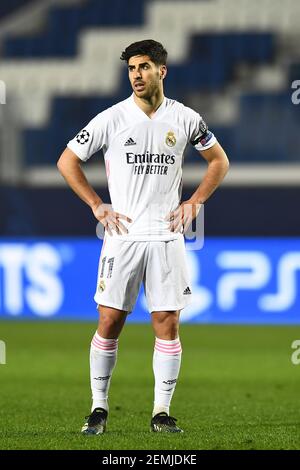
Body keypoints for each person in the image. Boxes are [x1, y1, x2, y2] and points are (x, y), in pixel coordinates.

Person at [57, 39, 229, 435]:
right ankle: (98, 409)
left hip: (167, 236)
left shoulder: (185, 118)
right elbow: (67, 161)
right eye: (132, 68)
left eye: (145, 67)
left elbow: (219, 160)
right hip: (123, 235)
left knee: (167, 323)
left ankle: (161, 414)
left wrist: (196, 201)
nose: (137, 74)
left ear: (161, 71)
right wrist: (96, 204)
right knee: (110, 318)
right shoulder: (112, 119)